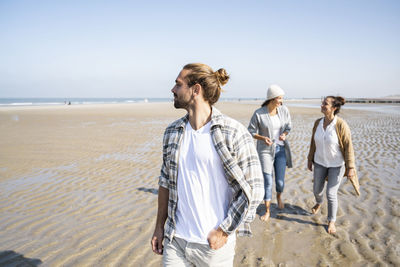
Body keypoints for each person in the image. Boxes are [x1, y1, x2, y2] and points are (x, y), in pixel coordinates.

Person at [151, 63, 264, 266]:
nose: (173, 90)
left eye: (178, 84)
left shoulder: (233, 132)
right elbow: (165, 181)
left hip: (213, 247)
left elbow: (255, 190)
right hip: (175, 241)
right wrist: (160, 226)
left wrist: (224, 230)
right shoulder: (172, 132)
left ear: (196, 90)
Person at [307, 96, 360, 234]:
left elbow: (348, 146)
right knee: (317, 190)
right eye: (322, 103)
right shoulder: (317, 123)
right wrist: (309, 159)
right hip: (319, 163)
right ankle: (319, 202)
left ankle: (331, 221)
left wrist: (351, 167)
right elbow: (313, 143)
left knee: (331, 193)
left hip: (336, 165)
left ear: (334, 108)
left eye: (325, 104)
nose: (322, 105)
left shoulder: (341, 124)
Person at [248, 85, 293, 222]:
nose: (281, 101)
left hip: (280, 150)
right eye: (279, 98)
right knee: (267, 181)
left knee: (280, 182)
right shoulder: (259, 113)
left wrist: (284, 134)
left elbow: (288, 127)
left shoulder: (284, 110)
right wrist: (263, 138)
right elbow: (251, 131)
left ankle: (279, 196)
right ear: (272, 99)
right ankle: (267, 210)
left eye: (281, 98)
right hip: (265, 151)